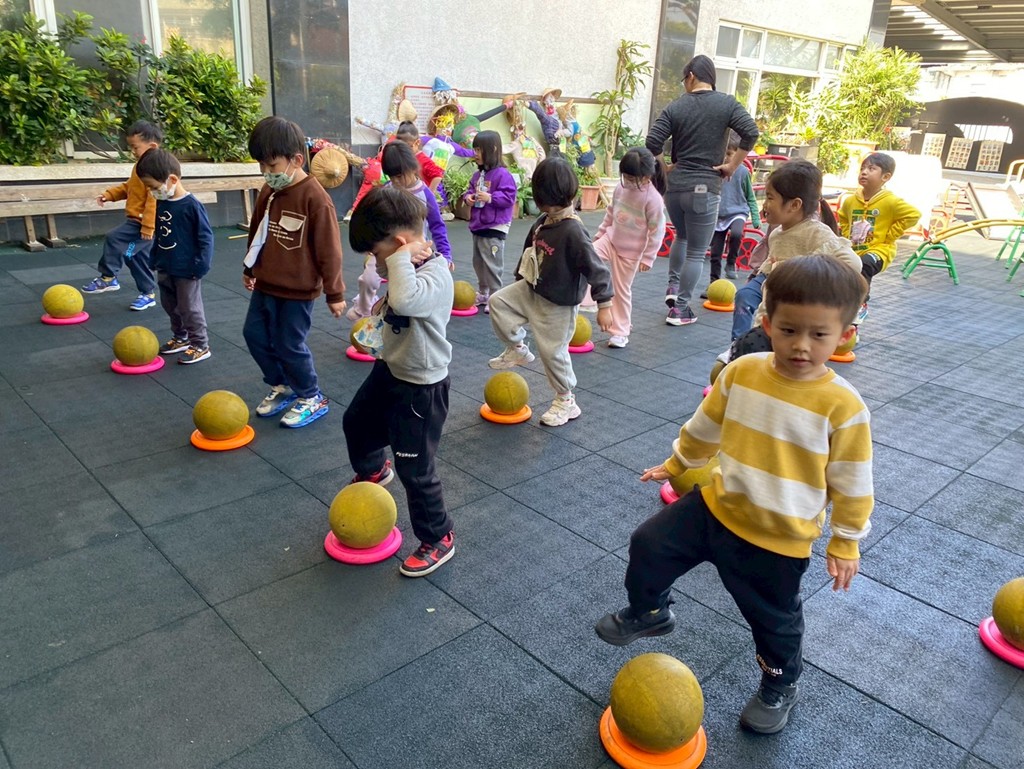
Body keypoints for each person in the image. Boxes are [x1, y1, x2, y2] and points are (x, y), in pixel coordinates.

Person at [595, 254, 874, 735]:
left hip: (777, 538)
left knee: (773, 621)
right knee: (649, 544)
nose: (801, 345)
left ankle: (779, 684)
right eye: (789, 330)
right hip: (717, 506)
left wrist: (846, 541)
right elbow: (706, 426)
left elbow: (853, 481)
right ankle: (650, 611)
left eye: (819, 334)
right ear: (767, 324)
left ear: (845, 334)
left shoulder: (843, 407)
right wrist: (678, 463)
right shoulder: (743, 372)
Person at [345, 185, 456, 577]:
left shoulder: (437, 275)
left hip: (421, 388)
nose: (375, 263)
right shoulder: (405, 267)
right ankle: (374, 469)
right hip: (391, 370)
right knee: (356, 422)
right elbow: (394, 306)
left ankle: (438, 536)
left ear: (399, 244)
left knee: (416, 470)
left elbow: (407, 301)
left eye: (377, 254)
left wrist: (399, 261)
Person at [487, 157, 613, 426]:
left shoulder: (573, 230)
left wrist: (605, 305)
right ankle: (517, 348)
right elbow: (529, 251)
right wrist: (519, 277)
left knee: (553, 353)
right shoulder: (544, 221)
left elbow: (597, 268)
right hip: (532, 287)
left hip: (558, 303)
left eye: (549, 202)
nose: (547, 208)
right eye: (543, 202)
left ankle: (566, 401)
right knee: (498, 302)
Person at [242, 116, 345, 428]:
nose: (266, 172)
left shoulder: (315, 199)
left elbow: (329, 250)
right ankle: (283, 384)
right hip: (266, 283)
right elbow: (257, 231)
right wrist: (249, 266)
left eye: (272, 165)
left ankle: (311, 395)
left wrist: (335, 293)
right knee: (254, 335)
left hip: (298, 290)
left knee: (289, 344)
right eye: (261, 165)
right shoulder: (268, 191)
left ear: (296, 160)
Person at [646, 55, 758, 326]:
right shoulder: (726, 104)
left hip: (675, 189)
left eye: (684, 79)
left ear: (692, 76)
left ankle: (673, 287)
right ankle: (680, 309)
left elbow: (652, 141)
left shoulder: (676, 106)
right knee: (696, 252)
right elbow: (751, 132)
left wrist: (665, 168)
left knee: (681, 237)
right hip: (705, 187)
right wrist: (732, 165)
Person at [729, 160, 860, 357]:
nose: (765, 204)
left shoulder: (816, 233)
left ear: (794, 205)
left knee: (777, 355)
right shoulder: (777, 233)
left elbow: (853, 263)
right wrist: (758, 278)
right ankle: (738, 346)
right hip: (771, 304)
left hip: (794, 314)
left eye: (770, 198)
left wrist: (807, 274)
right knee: (745, 297)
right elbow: (772, 264)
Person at [347, 141, 452, 320]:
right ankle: (363, 309)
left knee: (407, 289)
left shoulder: (425, 194)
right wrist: (373, 246)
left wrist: (446, 254)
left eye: (399, 176)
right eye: (391, 177)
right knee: (368, 279)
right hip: (385, 247)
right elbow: (373, 219)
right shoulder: (388, 190)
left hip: (414, 252)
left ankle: (399, 318)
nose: (396, 181)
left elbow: (437, 225)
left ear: (412, 168)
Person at [135, 149, 214, 364]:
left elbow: (206, 238)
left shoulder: (192, 206)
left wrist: (201, 266)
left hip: (187, 269)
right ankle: (181, 337)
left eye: (153, 187)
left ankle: (200, 344)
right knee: (169, 304)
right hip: (166, 265)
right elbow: (161, 233)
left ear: (172, 179)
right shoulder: (163, 202)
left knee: (189, 308)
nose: (152, 192)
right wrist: (154, 257)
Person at [590, 147, 667, 348]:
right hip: (611, 239)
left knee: (621, 291)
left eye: (633, 178)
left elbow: (657, 231)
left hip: (631, 252)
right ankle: (587, 302)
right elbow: (610, 213)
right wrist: (599, 235)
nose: (628, 181)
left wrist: (648, 257)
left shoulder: (653, 199)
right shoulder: (620, 188)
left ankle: (621, 331)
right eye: (625, 177)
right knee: (587, 258)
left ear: (647, 177)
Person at [82, 120, 163, 311]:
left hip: (143, 225)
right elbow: (128, 187)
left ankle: (108, 277)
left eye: (136, 147)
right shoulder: (139, 166)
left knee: (114, 237)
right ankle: (148, 294)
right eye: (131, 147)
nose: (133, 151)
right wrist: (109, 195)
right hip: (139, 223)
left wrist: (148, 227)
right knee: (132, 256)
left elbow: (154, 199)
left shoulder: (155, 169)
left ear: (152, 146)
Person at [839, 152, 921, 325]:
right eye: (862, 168)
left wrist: (890, 235)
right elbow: (843, 217)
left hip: (880, 250)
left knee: (865, 265)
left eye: (871, 169)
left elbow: (913, 215)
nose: (864, 172)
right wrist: (847, 234)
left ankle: (861, 303)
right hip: (855, 249)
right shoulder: (850, 201)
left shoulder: (891, 201)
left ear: (885, 177)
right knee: (838, 269)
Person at [464, 130, 517, 312]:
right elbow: (469, 191)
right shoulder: (477, 175)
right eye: (475, 150)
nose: (476, 154)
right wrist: (468, 198)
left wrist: (491, 198)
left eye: (479, 150)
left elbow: (509, 197)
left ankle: (495, 296)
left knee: (493, 264)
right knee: (479, 262)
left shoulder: (503, 174)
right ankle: (483, 292)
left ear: (493, 149)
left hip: (495, 227)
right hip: (478, 226)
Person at [703, 131, 760, 292]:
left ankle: (731, 262)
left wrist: (755, 217)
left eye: (729, 154)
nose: (726, 157)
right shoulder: (715, 171)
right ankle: (713, 283)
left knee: (736, 233)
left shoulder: (742, 172)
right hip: (719, 215)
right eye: (723, 154)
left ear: (737, 155)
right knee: (715, 253)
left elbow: (750, 197)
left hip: (737, 212)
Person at [394, 121, 445, 194]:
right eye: (401, 147)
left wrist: (429, 194)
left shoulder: (423, 160)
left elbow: (438, 175)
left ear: (417, 142)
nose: (404, 150)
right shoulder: (405, 157)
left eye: (408, 146)